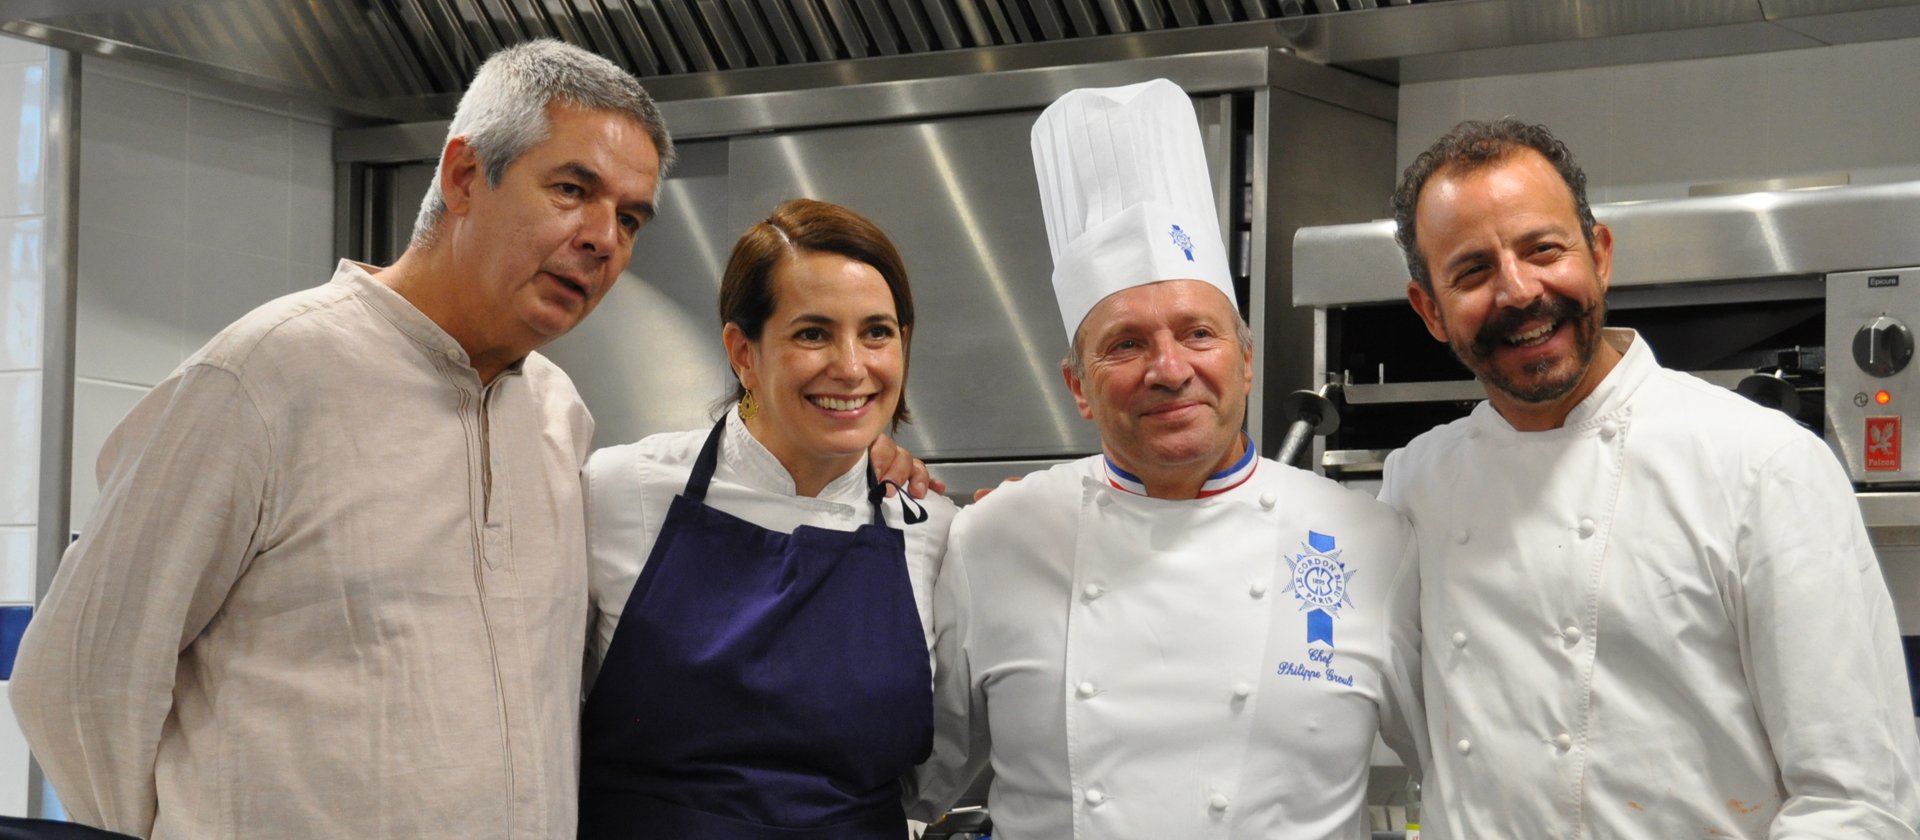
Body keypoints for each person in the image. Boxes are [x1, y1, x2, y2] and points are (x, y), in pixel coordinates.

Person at [9, 39, 672, 838]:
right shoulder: (264, 375)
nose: (604, 238)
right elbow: (77, 677)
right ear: (465, 177)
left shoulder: (558, 415)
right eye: (573, 189)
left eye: (629, 218)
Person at [905, 79, 1426, 839]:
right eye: (1125, 344)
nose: (1169, 369)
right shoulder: (996, 536)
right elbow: (914, 780)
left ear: (1246, 361)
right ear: (1077, 387)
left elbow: (1456, 767)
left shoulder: (1372, 542)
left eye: (1198, 333)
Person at [1383, 118, 1920, 838]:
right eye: (1473, 271)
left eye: (1544, 249)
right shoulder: (1415, 486)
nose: (1518, 290)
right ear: (1430, 312)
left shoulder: (1762, 466)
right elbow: (1400, 733)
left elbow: (1859, 800)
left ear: (1599, 255)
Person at [577, 198, 957, 839]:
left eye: (877, 332)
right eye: (813, 333)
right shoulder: (618, 492)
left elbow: (936, 770)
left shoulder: (934, 535)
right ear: (742, 350)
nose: (852, 366)